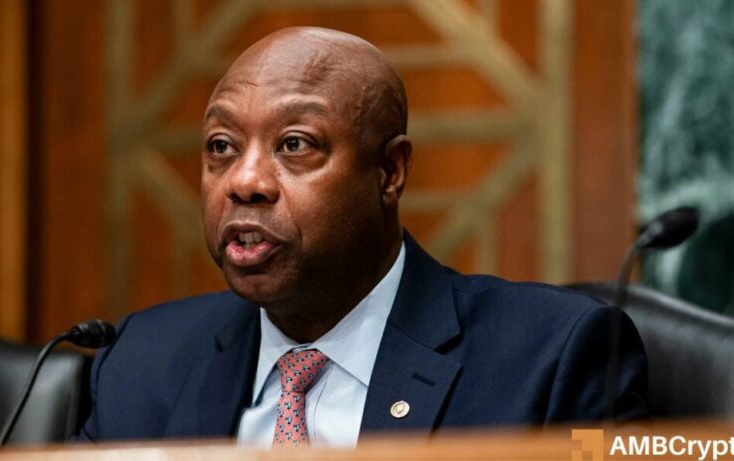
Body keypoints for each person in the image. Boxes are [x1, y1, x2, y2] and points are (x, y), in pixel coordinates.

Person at [78, 27, 648, 447]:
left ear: (389, 172)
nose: (244, 182)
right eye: (221, 147)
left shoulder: (552, 358)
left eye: (295, 145)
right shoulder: (140, 363)